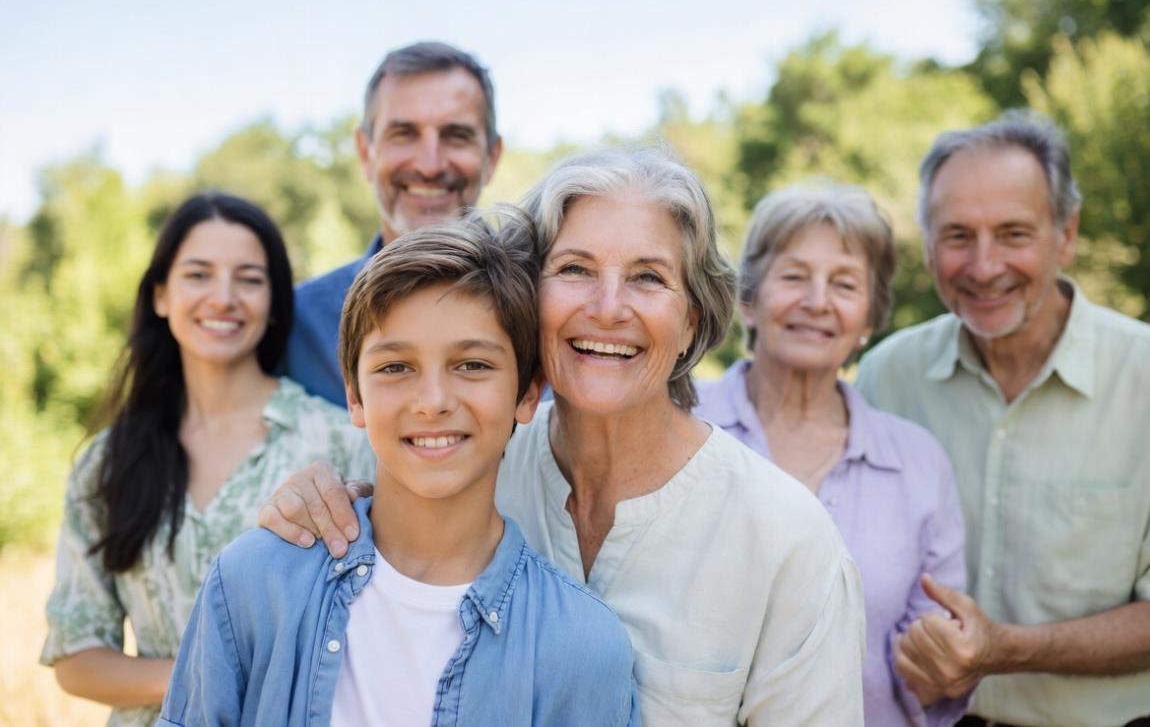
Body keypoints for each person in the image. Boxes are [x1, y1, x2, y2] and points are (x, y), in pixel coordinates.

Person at [262, 147, 867, 725]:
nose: (608, 308)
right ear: (528, 299)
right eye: (574, 270)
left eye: (648, 278)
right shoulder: (470, 465)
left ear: (692, 322)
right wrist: (318, 500)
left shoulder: (789, 541)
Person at [159, 217, 638, 726]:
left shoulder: (584, 647)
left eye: (473, 365)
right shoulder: (251, 582)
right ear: (353, 395)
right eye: (395, 367)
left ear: (526, 393)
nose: (432, 402)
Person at [856, 111, 1150, 727]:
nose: (984, 267)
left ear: (1066, 235)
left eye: (1014, 234)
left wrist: (1004, 650)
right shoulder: (888, 376)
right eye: (958, 236)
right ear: (930, 245)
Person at [39, 193, 372, 727]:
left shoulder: (340, 441)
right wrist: (206, 673)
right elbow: (77, 660)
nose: (223, 298)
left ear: (273, 304)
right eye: (198, 275)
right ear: (161, 295)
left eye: (249, 279)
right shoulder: (106, 463)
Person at [694, 182, 967, 726]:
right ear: (749, 301)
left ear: (868, 320)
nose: (817, 301)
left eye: (844, 284)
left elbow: (936, 670)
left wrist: (949, 657)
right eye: (794, 276)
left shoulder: (917, 463)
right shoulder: (674, 424)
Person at [286, 40, 503, 406]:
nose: (429, 164)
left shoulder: (551, 310)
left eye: (456, 136)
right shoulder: (296, 326)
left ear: (492, 156)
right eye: (404, 134)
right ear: (364, 153)